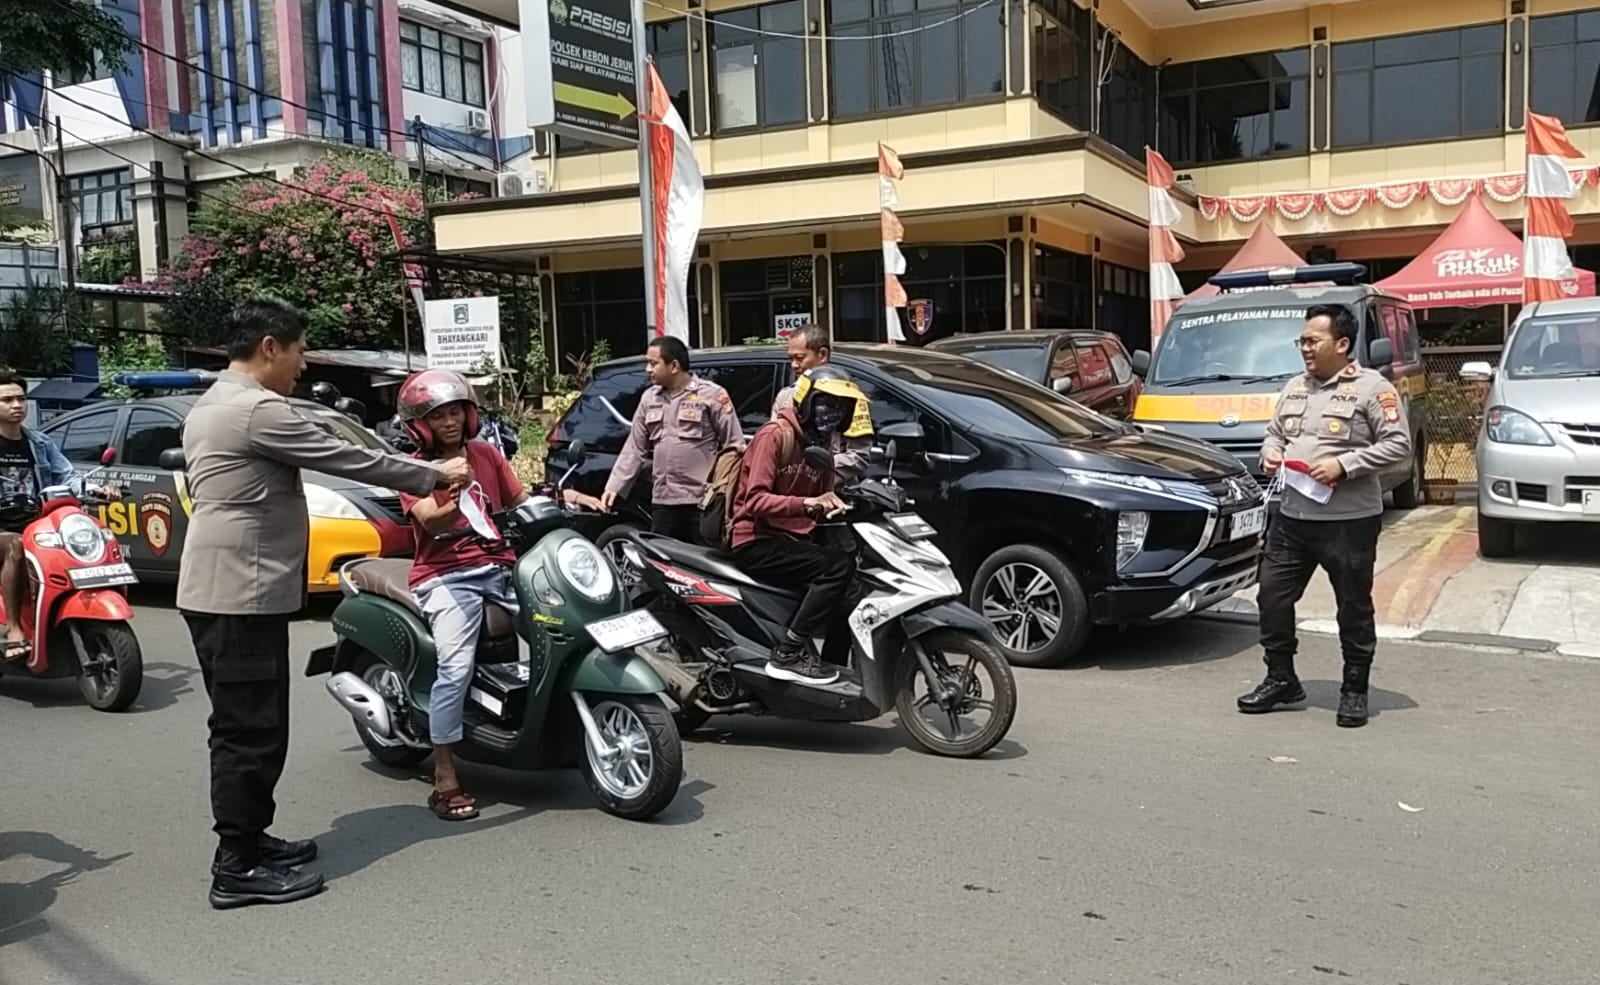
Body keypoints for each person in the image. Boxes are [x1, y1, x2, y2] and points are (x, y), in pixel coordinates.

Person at [178, 299, 471, 909]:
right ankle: (236, 866)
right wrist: (433, 476)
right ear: (269, 347)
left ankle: (252, 841)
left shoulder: (213, 402)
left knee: (251, 725)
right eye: (299, 350)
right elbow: (348, 457)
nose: (303, 363)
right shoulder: (256, 409)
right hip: (239, 594)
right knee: (249, 732)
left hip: (227, 589)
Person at [1239, 303, 1411, 728]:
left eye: (1313, 341)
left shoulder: (1373, 389)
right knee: (1272, 597)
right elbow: (1275, 433)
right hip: (1293, 517)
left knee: (1352, 607)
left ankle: (1354, 688)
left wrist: (1344, 465)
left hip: (1348, 522)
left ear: (1342, 343)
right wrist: (1270, 453)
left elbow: (1398, 445)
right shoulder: (1295, 386)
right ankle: (1281, 677)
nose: (1305, 348)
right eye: (1301, 341)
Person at [395, 369, 530, 822]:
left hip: (501, 565)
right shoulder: (415, 471)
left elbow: (518, 501)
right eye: (438, 415)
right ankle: (444, 774)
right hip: (445, 576)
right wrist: (452, 491)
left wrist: (564, 500)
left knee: (563, 628)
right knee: (455, 668)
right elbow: (431, 521)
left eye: (455, 412)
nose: (449, 422)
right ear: (420, 425)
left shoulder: (487, 454)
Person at [729, 366, 867, 685]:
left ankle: (831, 674)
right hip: (756, 540)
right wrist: (806, 504)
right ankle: (789, 652)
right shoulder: (775, 435)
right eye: (827, 404)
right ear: (806, 402)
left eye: (841, 407)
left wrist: (841, 503)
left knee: (854, 591)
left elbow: (823, 496)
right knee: (837, 567)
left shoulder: (822, 443)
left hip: (792, 539)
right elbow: (754, 501)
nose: (834, 413)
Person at [0, 372, 118, 662]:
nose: (17, 405)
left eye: (21, 399)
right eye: (7, 400)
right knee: (15, 546)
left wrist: (97, 489)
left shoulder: (39, 443)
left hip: (36, 523)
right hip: (4, 530)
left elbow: (68, 477)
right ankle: (14, 629)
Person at [601, 336, 743, 541]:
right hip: (664, 502)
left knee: (702, 558)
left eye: (653, 363)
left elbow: (734, 446)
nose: (648, 370)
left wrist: (727, 494)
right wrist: (614, 486)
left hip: (701, 502)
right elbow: (634, 448)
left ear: (674, 366)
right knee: (661, 555)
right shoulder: (649, 398)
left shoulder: (711, 395)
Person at [770, 325, 873, 481]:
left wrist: (815, 468)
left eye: (800, 358)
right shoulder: (785, 396)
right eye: (791, 359)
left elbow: (859, 456)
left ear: (823, 354)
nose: (794, 365)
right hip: (789, 489)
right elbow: (775, 447)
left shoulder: (847, 396)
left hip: (834, 488)